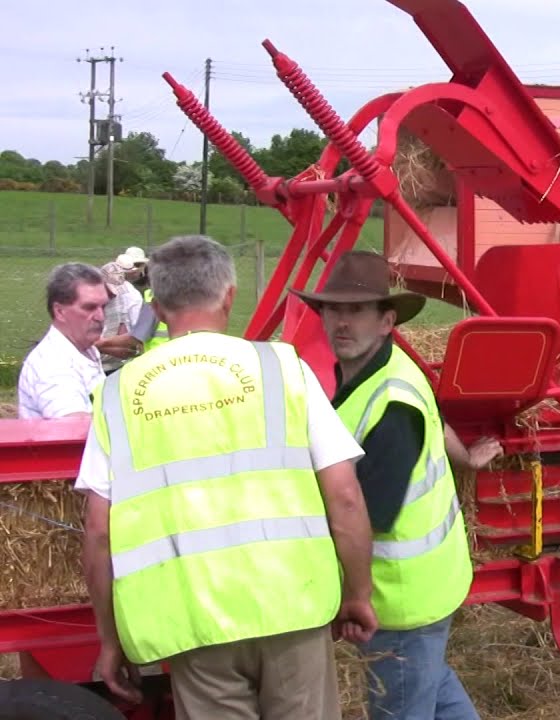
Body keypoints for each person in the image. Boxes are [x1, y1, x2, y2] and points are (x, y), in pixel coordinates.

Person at [75, 235, 379, 720]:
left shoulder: (117, 394)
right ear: (230, 295)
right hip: (293, 603)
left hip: (195, 619)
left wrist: (110, 640)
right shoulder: (284, 369)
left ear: (158, 306)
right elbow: (344, 497)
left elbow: (98, 530)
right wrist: (358, 593)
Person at [291, 251, 501, 720]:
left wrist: (350, 597)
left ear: (387, 321)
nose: (342, 323)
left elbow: (362, 516)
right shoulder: (386, 370)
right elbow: (437, 420)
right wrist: (467, 458)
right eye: (332, 310)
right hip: (429, 583)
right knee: (431, 686)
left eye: (356, 311)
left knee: (403, 704)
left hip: (399, 599)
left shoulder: (391, 405)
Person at [17, 262, 109, 419]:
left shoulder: (84, 348)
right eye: (89, 307)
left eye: (104, 306)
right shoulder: (52, 364)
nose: (100, 317)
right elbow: (75, 425)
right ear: (59, 311)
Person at [95, 261, 145, 375]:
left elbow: (128, 330)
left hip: (116, 365)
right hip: (92, 366)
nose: (113, 294)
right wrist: (104, 348)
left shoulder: (123, 297)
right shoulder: (84, 303)